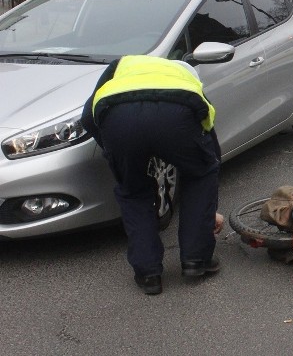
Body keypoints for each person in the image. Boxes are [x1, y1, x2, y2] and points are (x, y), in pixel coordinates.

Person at [81, 55, 222, 296]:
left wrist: (113, 153)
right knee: (201, 175)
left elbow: (88, 119)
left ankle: (148, 275)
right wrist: (208, 166)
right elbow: (207, 128)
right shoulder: (186, 79)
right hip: (176, 117)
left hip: (119, 121)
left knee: (133, 192)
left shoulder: (119, 66)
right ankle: (195, 261)